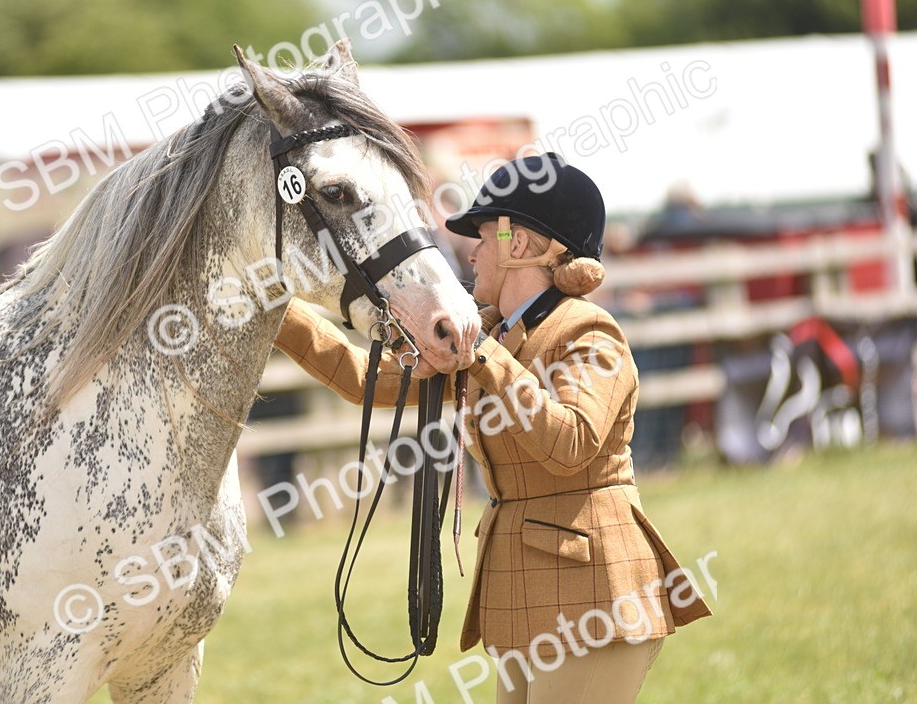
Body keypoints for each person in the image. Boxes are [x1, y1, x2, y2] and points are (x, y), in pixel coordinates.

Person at [273, 153, 711, 703]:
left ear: (519, 244)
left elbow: (571, 440)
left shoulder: (590, 333)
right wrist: (278, 313)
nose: (473, 252)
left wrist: (482, 354)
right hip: (524, 592)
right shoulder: (495, 334)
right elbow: (370, 380)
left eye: (482, 236)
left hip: (594, 592)